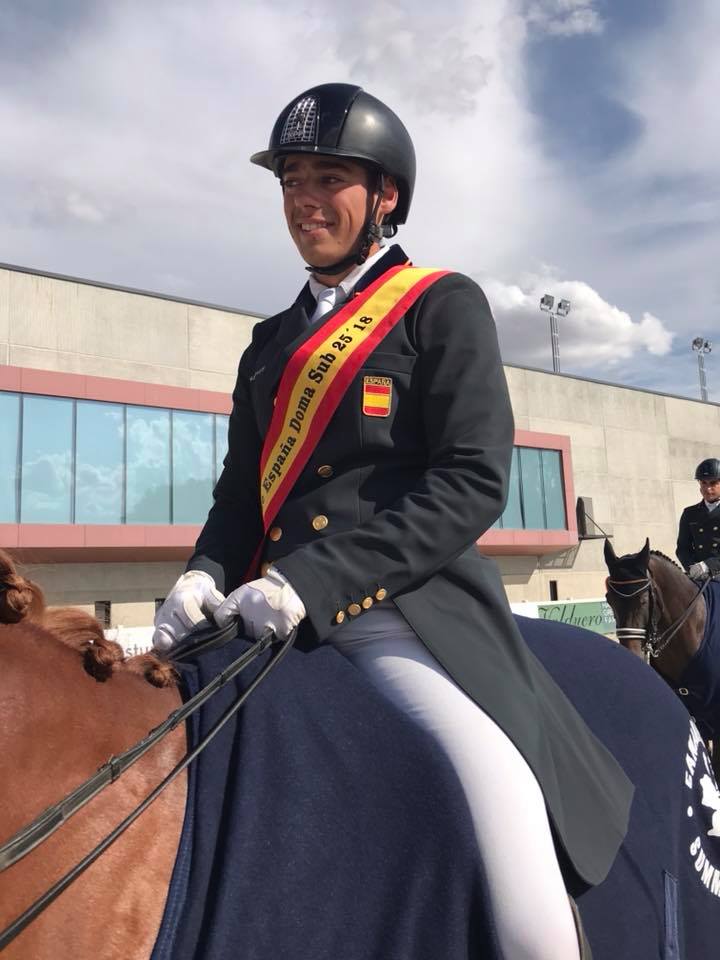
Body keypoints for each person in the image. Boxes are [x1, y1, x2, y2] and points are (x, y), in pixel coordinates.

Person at [153, 83, 633, 959]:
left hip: (401, 621)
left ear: (386, 197)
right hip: (260, 624)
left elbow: (471, 481)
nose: (303, 199)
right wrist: (203, 573)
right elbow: (240, 496)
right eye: (291, 179)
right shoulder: (269, 344)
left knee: (522, 890)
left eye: (328, 177)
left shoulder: (439, 306)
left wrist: (313, 580)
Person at [676, 458, 720, 579]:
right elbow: (682, 548)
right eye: (703, 483)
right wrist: (692, 568)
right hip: (698, 575)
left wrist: (708, 566)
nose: (707, 489)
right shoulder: (689, 513)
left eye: (713, 483)